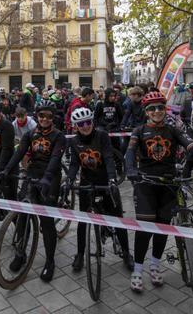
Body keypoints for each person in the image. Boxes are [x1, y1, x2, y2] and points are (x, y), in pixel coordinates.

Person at [125, 91, 193, 293]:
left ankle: (155, 265)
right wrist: (130, 169)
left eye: (160, 107)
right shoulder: (138, 131)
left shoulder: (173, 130)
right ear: (146, 112)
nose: (157, 111)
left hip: (169, 183)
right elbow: (130, 153)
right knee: (145, 229)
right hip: (146, 183)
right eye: (152, 108)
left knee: (163, 228)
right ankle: (138, 270)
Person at [0, 99, 65, 282]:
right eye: (41, 115)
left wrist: (47, 178)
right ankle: (21, 254)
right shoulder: (30, 134)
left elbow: (54, 160)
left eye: (48, 116)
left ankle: (50, 261)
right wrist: (5, 170)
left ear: (53, 118)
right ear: (37, 116)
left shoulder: (58, 136)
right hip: (32, 174)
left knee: (46, 221)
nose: (44, 119)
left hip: (50, 178)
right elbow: (19, 153)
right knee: (22, 215)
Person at [65, 107, 133, 271]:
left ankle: (126, 252)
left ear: (92, 122)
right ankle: (80, 254)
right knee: (83, 221)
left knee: (117, 218)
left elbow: (109, 158)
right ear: (76, 126)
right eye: (81, 124)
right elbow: (74, 164)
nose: (85, 126)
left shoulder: (102, 135)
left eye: (88, 122)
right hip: (87, 183)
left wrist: (112, 178)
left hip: (105, 180)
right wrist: (68, 179)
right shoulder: (74, 141)